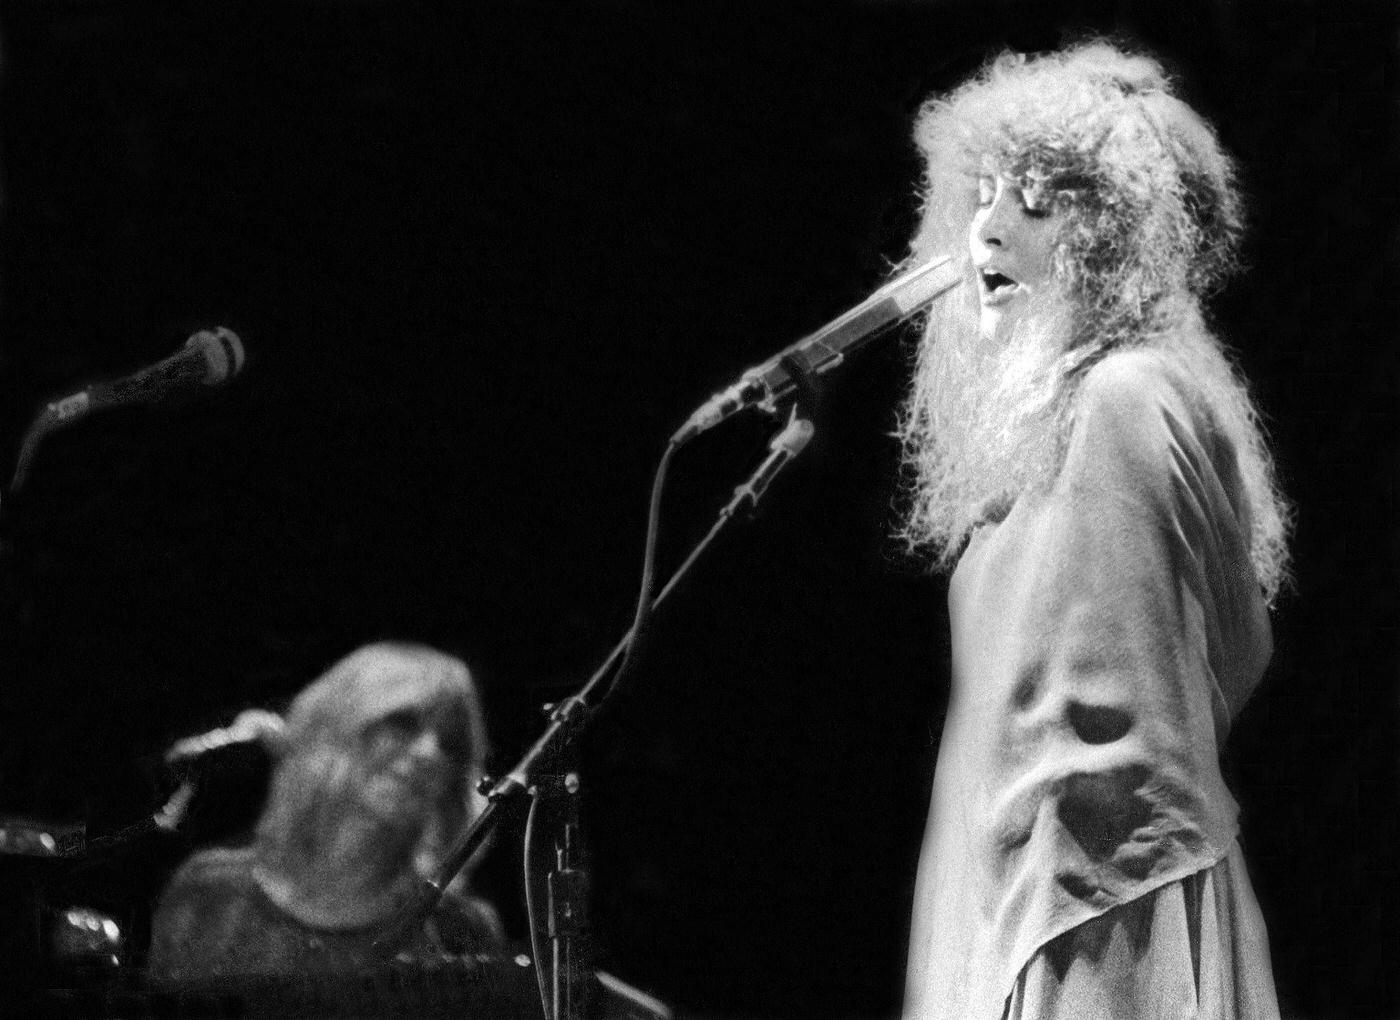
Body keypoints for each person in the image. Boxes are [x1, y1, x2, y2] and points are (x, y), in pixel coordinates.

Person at [895, 42, 1290, 1019]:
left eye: (1033, 198)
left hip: (1102, 918)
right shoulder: (1050, 435)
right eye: (979, 193)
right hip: (1022, 905)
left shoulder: (1123, 395)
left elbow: (1202, 671)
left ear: (1107, 233)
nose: (985, 228)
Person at [146, 641, 503, 982]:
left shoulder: (456, 930)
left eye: (451, 741)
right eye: (403, 722)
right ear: (335, 729)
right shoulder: (209, 894)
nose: (430, 751)